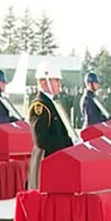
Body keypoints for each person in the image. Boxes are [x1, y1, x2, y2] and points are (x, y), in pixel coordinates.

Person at [27, 61, 74, 190]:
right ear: (44, 82)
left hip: (55, 162)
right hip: (45, 162)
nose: (59, 84)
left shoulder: (53, 103)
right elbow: (41, 141)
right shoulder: (40, 106)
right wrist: (68, 142)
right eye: (56, 80)